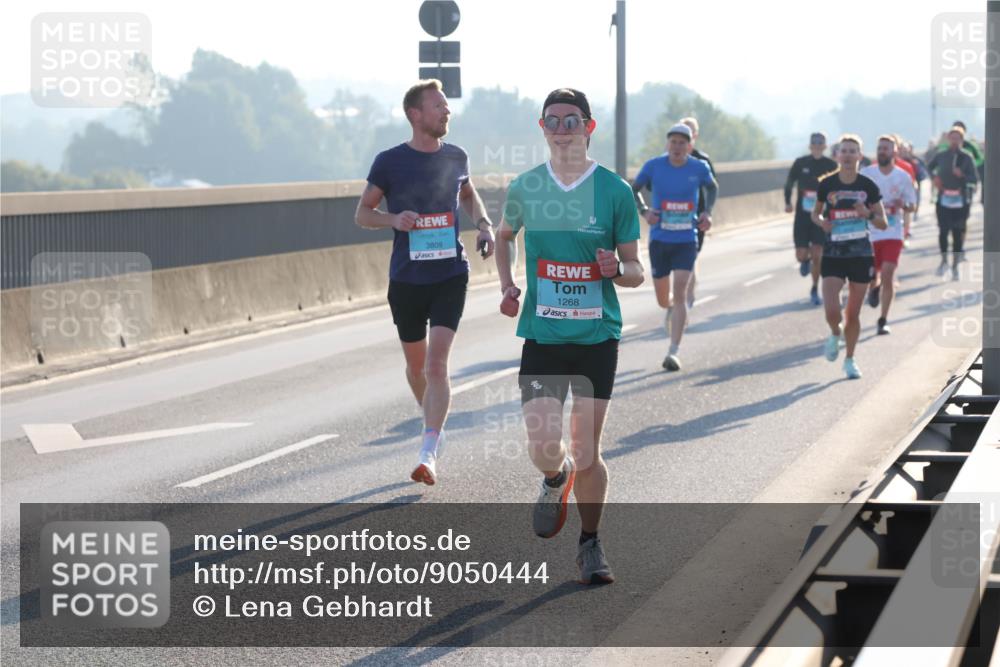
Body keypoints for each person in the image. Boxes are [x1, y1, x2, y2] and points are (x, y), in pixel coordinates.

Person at [495, 87, 644, 585]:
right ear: (542, 128)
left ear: (589, 127)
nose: (562, 129)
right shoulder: (526, 187)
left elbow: (637, 271)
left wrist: (616, 267)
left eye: (571, 120)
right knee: (543, 445)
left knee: (587, 449)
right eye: (553, 121)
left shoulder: (615, 191)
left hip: (596, 337)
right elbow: (504, 236)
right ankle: (553, 480)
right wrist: (508, 284)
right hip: (542, 333)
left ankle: (590, 544)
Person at [356, 79, 495, 486]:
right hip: (407, 279)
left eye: (447, 106)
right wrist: (392, 219)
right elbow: (363, 213)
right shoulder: (390, 162)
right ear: (415, 115)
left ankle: (428, 450)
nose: (446, 111)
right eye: (438, 106)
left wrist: (483, 225)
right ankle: (432, 422)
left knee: (437, 364)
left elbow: (467, 195)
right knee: (416, 367)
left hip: (450, 274)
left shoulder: (457, 156)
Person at [633, 123, 718, 371]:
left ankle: (674, 351)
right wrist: (644, 211)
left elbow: (712, 187)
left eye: (683, 143)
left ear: (689, 146)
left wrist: (707, 212)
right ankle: (668, 308)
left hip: (685, 239)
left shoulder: (698, 167)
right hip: (660, 239)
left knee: (680, 292)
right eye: (674, 142)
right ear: (667, 144)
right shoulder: (654, 165)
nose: (677, 147)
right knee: (664, 298)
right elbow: (634, 188)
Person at [811, 134, 887, 379]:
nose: (847, 155)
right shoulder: (827, 184)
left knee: (853, 313)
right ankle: (835, 333)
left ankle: (850, 360)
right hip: (833, 252)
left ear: (860, 156)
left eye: (852, 151)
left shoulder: (868, 186)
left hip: (861, 254)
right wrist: (822, 223)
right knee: (832, 309)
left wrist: (866, 213)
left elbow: (883, 223)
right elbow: (815, 214)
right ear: (837, 155)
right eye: (844, 151)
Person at [861, 136, 917, 335]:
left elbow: (913, 205)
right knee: (872, 276)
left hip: (893, 232)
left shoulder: (903, 176)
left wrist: (905, 206)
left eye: (886, 148)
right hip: (870, 233)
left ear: (895, 153)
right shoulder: (867, 174)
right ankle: (873, 287)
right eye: (879, 148)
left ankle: (883, 319)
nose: (882, 151)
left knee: (888, 273)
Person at [784, 132, 839, 305]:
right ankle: (804, 260)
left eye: (820, 143)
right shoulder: (801, 163)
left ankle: (815, 288)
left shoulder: (831, 165)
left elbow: (838, 188)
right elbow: (789, 183)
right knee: (801, 254)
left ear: (824, 146)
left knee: (818, 254)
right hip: (802, 215)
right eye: (814, 143)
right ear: (810, 146)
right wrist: (788, 202)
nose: (816, 146)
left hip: (821, 215)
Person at [927, 126, 979, 280]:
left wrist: (962, 175)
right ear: (948, 139)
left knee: (957, 233)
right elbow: (929, 167)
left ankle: (955, 265)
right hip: (943, 198)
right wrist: (934, 177)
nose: (955, 141)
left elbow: (974, 179)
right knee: (943, 231)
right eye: (952, 138)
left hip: (960, 200)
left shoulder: (967, 157)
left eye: (958, 138)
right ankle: (944, 261)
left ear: (962, 140)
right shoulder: (941, 155)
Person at [679, 116, 717, 307]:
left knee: (689, 258)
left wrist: (707, 212)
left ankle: (686, 297)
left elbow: (712, 188)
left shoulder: (703, 160)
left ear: (695, 135)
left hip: (696, 217)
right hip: (672, 217)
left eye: (688, 131)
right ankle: (679, 298)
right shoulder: (668, 158)